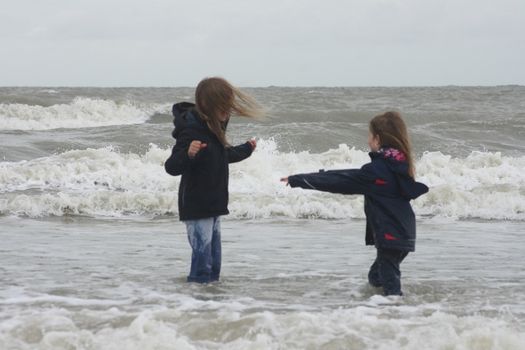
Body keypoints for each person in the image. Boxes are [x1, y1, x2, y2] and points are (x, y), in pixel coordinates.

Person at [281, 111, 428, 296]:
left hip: (390, 235)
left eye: (369, 135)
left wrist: (299, 180)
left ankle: (396, 314)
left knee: (390, 284)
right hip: (404, 233)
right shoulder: (399, 165)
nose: (367, 141)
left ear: (377, 138)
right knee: (376, 277)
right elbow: (346, 176)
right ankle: (389, 311)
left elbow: (340, 180)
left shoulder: (377, 171)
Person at [165, 77, 262, 283]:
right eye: (224, 106)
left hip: (214, 205)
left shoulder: (214, 130)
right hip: (197, 206)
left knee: (214, 267)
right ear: (209, 105)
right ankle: (194, 306)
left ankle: (211, 310)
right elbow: (171, 166)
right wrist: (188, 154)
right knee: (202, 267)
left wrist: (247, 149)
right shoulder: (191, 131)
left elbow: (222, 157)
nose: (228, 111)